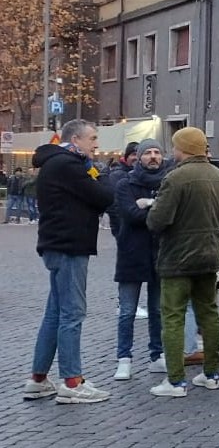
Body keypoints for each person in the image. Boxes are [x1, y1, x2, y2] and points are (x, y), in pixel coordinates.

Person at [24, 119, 115, 404]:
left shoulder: (55, 163)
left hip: (56, 245)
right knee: (72, 314)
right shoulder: (69, 165)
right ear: (75, 139)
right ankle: (72, 382)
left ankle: (38, 379)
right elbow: (104, 197)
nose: (96, 145)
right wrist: (100, 174)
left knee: (55, 314)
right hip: (70, 247)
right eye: (92, 138)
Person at [145, 127, 219, 397]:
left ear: (183, 148)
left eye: (175, 146)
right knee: (209, 314)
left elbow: (157, 221)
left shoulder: (175, 178)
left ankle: (175, 381)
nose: (173, 151)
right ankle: (212, 374)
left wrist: (150, 209)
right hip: (210, 256)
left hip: (178, 258)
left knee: (173, 316)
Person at [113, 139, 169, 380]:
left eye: (157, 152)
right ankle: (124, 359)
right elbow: (131, 215)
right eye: (148, 153)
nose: (153, 156)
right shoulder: (125, 183)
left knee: (157, 310)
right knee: (127, 311)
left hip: (159, 254)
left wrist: (148, 203)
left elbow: (168, 215)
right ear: (139, 157)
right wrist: (157, 209)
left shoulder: (168, 182)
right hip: (132, 253)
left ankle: (157, 355)